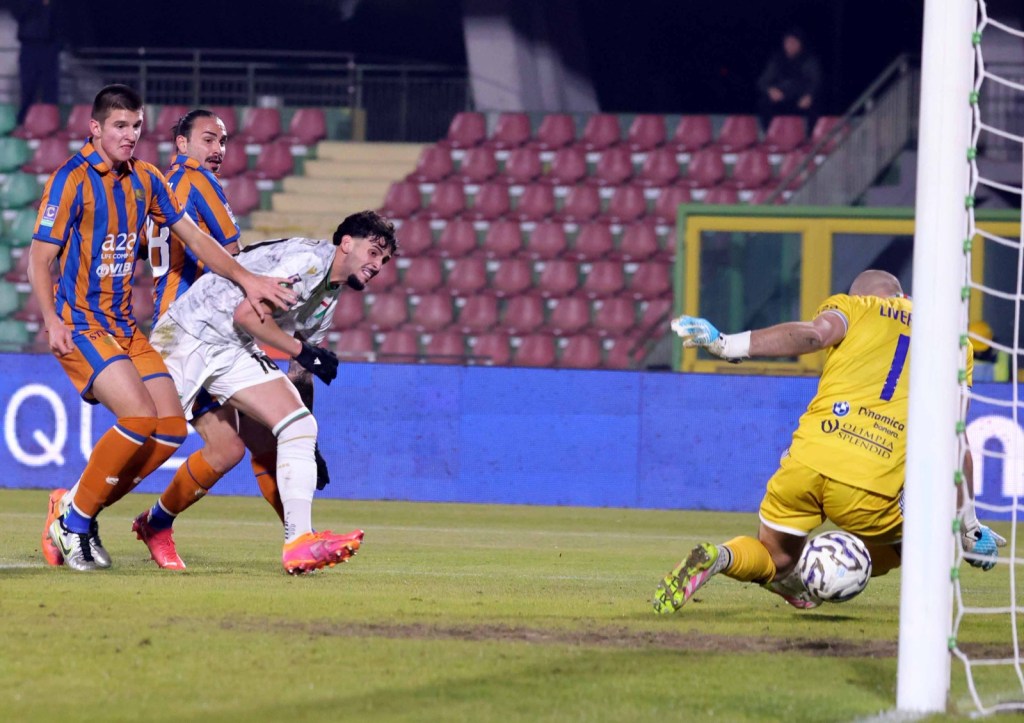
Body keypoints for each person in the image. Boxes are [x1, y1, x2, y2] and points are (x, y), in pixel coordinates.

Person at [31, 84, 297, 572]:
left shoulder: (148, 178)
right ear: (95, 128)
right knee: (138, 418)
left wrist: (247, 279)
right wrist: (50, 319)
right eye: (120, 126)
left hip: (126, 326)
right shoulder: (71, 180)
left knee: (171, 429)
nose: (130, 135)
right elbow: (39, 258)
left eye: (136, 126)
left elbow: (195, 239)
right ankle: (74, 522)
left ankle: (72, 507)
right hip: (81, 323)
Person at [653, 269, 1007, 614]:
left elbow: (813, 335)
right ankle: (820, 576)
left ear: (861, 295)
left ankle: (722, 557)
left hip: (804, 463)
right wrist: (969, 525)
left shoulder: (853, 307)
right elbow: (955, 436)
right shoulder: (954, 342)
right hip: (866, 484)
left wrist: (726, 343)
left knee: (776, 558)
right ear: (902, 295)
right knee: (925, 541)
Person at [141, 210, 398, 574]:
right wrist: (302, 350)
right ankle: (74, 511)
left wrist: (310, 447)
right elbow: (248, 315)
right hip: (189, 333)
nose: (377, 265)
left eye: (384, 260)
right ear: (346, 243)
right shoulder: (308, 262)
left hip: (233, 347)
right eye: (373, 252)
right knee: (149, 442)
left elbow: (301, 371)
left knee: (298, 427)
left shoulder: (328, 296)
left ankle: (299, 543)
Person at [756, 28, 822, 129]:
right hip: (781, 96)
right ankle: (769, 133)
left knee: (815, 105)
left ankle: (811, 135)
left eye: (793, 42)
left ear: (800, 44)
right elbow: (763, 81)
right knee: (764, 103)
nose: (790, 45)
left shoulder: (808, 60)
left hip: (800, 97)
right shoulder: (777, 59)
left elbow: (815, 81)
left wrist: (809, 95)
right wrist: (770, 90)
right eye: (788, 42)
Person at [12, 0, 62, 124]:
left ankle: (51, 123)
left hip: (50, 47)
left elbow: (62, 23)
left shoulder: (56, 5)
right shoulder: (27, 4)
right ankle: (23, 122)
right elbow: (19, 13)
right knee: (28, 87)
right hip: (29, 45)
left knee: (50, 88)